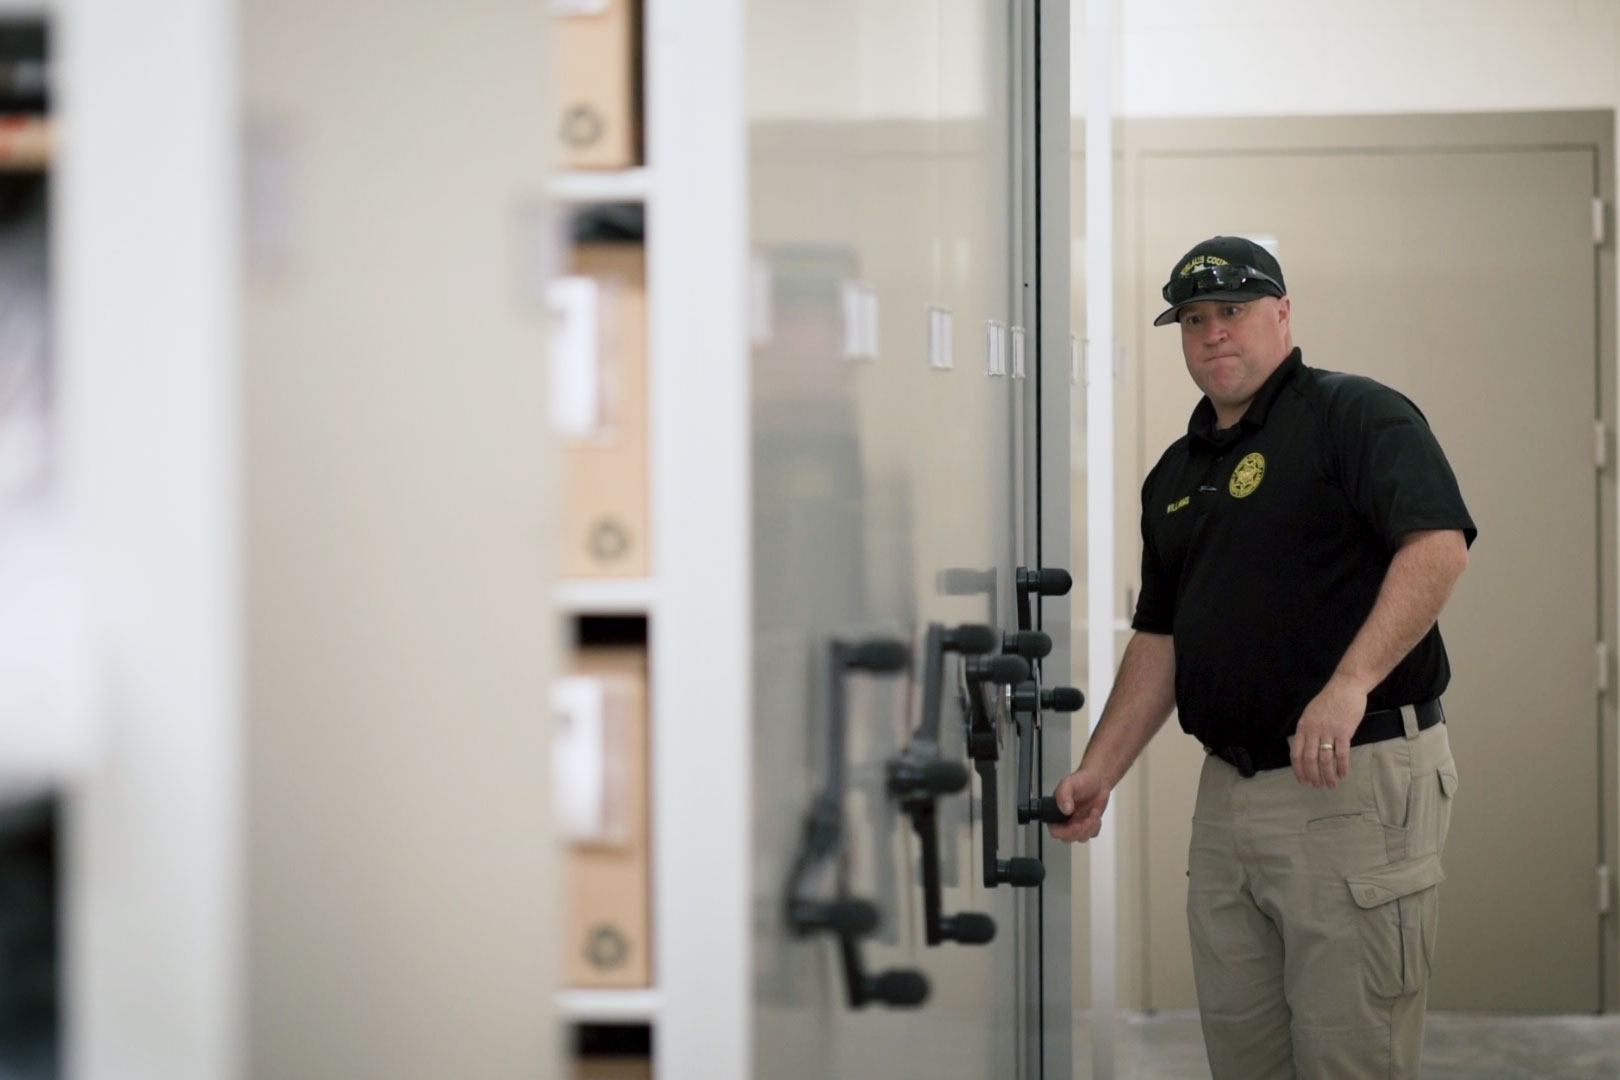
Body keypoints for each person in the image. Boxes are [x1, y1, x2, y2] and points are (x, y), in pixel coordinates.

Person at [1048, 236, 1475, 1079]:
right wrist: (1101, 768)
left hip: (1354, 781)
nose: (1214, 334)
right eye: (1194, 320)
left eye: (1233, 311)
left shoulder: (1356, 416)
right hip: (1231, 799)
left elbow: (1437, 545)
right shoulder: (1175, 471)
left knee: (1353, 1056)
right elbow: (1162, 634)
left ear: (1282, 313)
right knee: (1243, 1057)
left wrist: (1349, 684)